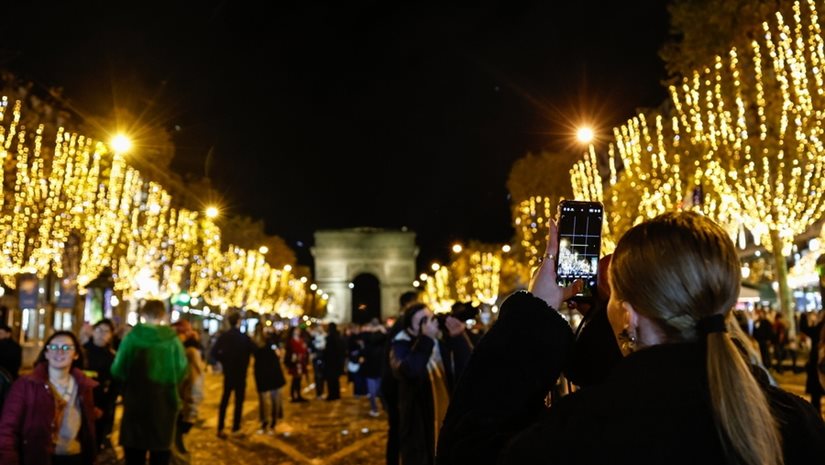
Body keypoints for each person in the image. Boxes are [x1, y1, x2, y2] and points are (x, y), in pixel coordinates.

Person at [437, 212, 825, 465]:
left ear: (629, 312)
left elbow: (467, 450)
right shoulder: (795, 421)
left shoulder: (584, 433)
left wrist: (535, 312)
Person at [390, 301, 473, 465]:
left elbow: (469, 371)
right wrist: (426, 338)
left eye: (430, 318)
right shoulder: (400, 346)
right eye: (422, 322)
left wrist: (458, 337)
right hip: (419, 427)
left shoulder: (441, 343)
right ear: (409, 329)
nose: (430, 324)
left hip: (447, 420)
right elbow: (410, 370)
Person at [0, 330, 98, 465]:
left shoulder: (84, 386)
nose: (59, 351)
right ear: (46, 353)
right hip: (37, 458)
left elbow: (88, 428)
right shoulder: (25, 385)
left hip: (75, 457)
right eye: (53, 347)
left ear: (75, 354)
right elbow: (8, 428)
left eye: (66, 347)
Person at [112, 300, 188, 465]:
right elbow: (182, 369)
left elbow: (118, 369)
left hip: (135, 404)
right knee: (160, 455)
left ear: (143, 314)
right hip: (164, 404)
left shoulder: (132, 337)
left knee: (134, 455)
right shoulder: (172, 340)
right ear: (163, 315)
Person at [382, 290, 420, 465]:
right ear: (409, 304)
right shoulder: (403, 327)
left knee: (397, 431)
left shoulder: (398, 325)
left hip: (393, 386)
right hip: (398, 388)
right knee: (401, 430)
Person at [209, 311, 256, 438]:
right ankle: (235, 427)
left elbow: (213, 353)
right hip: (241, 374)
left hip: (228, 373)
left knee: (225, 400)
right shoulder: (244, 337)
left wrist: (221, 361)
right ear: (239, 322)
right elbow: (255, 350)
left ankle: (220, 427)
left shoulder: (224, 337)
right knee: (238, 402)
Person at [170, 319, 205, 465]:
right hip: (173, 407)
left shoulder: (190, 352)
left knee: (178, 454)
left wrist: (191, 414)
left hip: (181, 409)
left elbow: (195, 383)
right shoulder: (179, 350)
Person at [83, 318, 119, 450]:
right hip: (79, 404)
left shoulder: (113, 358)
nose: (102, 334)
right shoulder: (81, 352)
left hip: (100, 405)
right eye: (99, 330)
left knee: (94, 444)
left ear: (111, 335)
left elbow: (115, 386)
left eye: (106, 331)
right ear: (93, 331)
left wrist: (104, 408)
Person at [252, 325, 286, 434]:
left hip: (262, 373)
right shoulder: (269, 343)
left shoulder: (255, 344)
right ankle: (273, 421)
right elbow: (277, 355)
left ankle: (266, 421)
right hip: (272, 372)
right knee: (273, 398)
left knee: (265, 399)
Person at [284, 327, 309, 402]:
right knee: (295, 379)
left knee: (299, 379)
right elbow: (290, 351)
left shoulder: (301, 340)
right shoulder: (291, 341)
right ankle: (293, 396)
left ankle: (298, 394)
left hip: (301, 362)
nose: (298, 331)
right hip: (295, 362)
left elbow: (304, 349)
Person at [322, 322, 346, 401]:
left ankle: (332, 395)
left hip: (330, 363)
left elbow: (328, 351)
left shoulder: (330, 337)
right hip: (337, 362)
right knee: (335, 380)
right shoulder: (338, 336)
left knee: (331, 380)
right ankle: (336, 394)